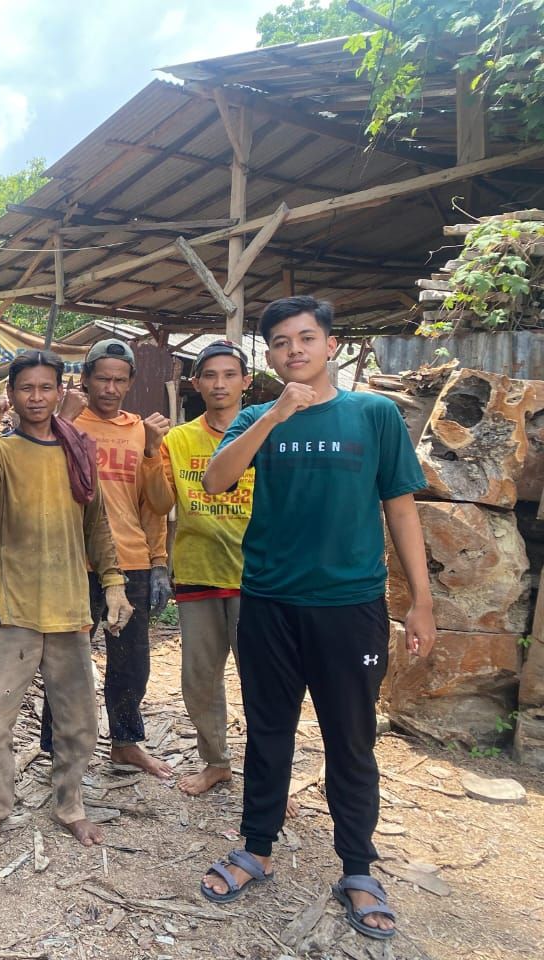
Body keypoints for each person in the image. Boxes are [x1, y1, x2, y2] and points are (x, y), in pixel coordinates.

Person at [197, 297, 435, 943]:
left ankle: (358, 868)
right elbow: (216, 480)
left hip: (350, 607)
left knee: (350, 740)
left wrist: (421, 598)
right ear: (268, 356)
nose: (294, 350)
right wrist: (274, 413)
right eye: (280, 342)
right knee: (269, 731)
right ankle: (257, 849)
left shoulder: (375, 415)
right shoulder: (254, 415)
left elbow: (401, 508)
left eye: (306, 338)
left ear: (332, 346)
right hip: (270, 601)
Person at [0, 350, 130, 846]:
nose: (36, 398)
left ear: (61, 392)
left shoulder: (77, 448)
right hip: (12, 604)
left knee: (78, 718)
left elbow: (97, 523)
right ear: (11, 395)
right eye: (25, 389)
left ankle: (70, 803)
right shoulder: (2, 447)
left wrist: (114, 581)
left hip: (67, 603)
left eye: (45, 388)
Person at [45, 338, 175, 778]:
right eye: (102, 378)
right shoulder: (63, 422)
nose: (110, 388)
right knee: (66, 661)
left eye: (120, 380)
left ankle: (125, 742)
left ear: (131, 383)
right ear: (85, 378)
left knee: (131, 661)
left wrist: (158, 563)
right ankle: (59, 748)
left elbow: (156, 504)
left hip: (131, 560)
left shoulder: (144, 431)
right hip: (74, 562)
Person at [160, 340, 255, 798]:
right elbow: (157, 503)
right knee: (199, 679)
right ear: (195, 384)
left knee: (263, 682)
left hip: (258, 577)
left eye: (229, 374)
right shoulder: (178, 440)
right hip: (198, 572)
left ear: (246, 381)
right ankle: (216, 762)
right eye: (210, 376)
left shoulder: (266, 432)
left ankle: (266, 772)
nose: (220, 384)